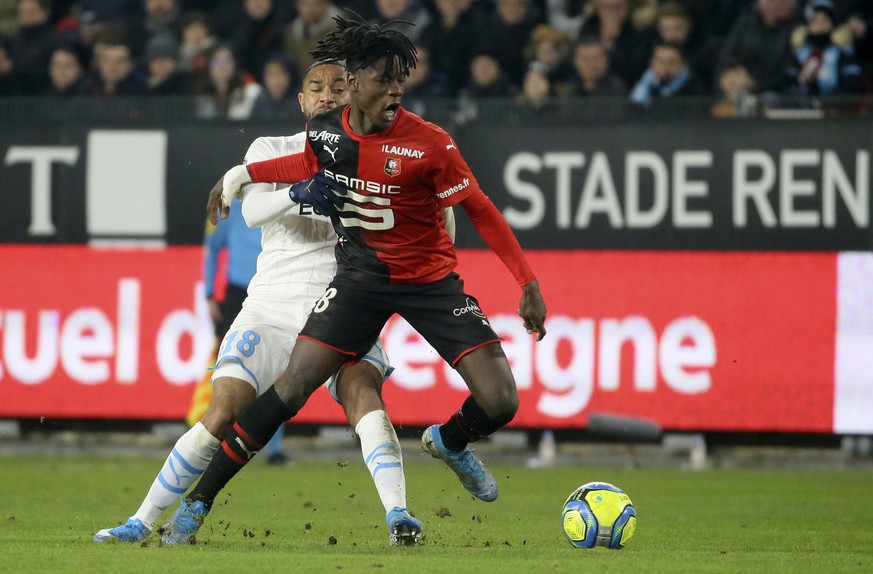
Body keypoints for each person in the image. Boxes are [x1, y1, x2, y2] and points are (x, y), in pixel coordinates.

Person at [159, 11, 547, 545]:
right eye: (384, 79)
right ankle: (198, 503)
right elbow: (295, 166)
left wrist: (526, 281)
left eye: (400, 80)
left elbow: (481, 210)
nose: (395, 90)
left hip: (430, 281)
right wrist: (240, 175)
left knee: (502, 400)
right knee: (290, 389)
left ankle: (451, 441)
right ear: (356, 82)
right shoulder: (326, 133)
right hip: (360, 280)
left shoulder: (431, 143)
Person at [93, 60, 423, 547]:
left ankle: (399, 516)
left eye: (338, 86)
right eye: (316, 87)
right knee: (222, 409)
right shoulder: (271, 150)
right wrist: (299, 190)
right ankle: (142, 521)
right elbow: (250, 211)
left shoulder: (375, 160)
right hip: (270, 304)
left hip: (342, 302)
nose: (327, 95)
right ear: (302, 101)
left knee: (363, 393)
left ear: (354, 95)